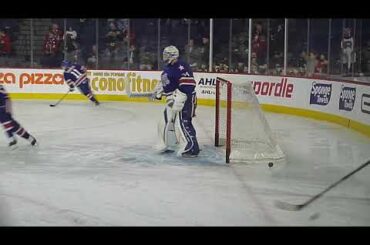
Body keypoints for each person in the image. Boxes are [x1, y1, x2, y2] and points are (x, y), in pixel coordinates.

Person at [152, 45, 199, 157]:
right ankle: (165, 143)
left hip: (187, 98)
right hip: (176, 98)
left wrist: (180, 96)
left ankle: (192, 148)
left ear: (173, 55)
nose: (164, 57)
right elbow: (168, 88)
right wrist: (159, 91)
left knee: (184, 122)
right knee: (164, 120)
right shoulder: (166, 71)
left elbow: (189, 85)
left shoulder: (182, 65)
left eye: (167, 54)